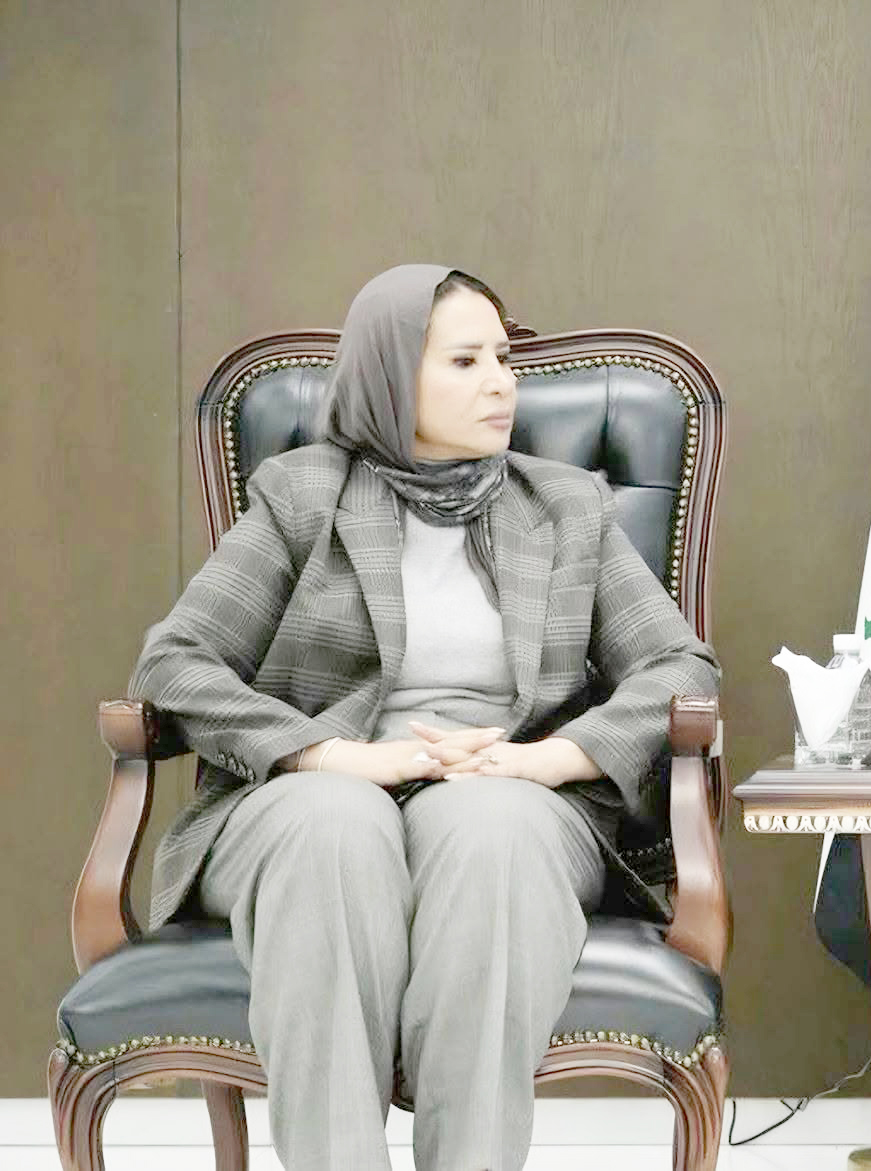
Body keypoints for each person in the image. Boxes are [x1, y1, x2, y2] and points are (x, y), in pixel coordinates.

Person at [131, 264, 720, 1171]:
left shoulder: (568, 507)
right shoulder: (302, 496)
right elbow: (174, 663)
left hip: (506, 791)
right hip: (314, 796)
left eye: (503, 359)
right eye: (465, 360)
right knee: (332, 825)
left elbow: (680, 666)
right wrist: (323, 754)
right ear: (390, 376)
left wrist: (556, 758)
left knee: (493, 831)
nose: (501, 383)